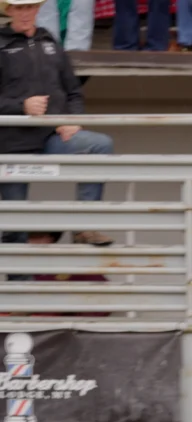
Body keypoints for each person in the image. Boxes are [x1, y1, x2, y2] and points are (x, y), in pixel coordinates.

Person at [0, 0, 115, 260]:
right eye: (19, 8)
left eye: (29, 7)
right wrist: (22, 106)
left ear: (38, 9)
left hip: (51, 136)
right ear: (9, 11)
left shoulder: (50, 42)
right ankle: (19, 288)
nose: (25, 13)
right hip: (10, 146)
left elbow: (73, 91)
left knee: (99, 145)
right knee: (15, 225)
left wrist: (73, 120)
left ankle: (84, 226)